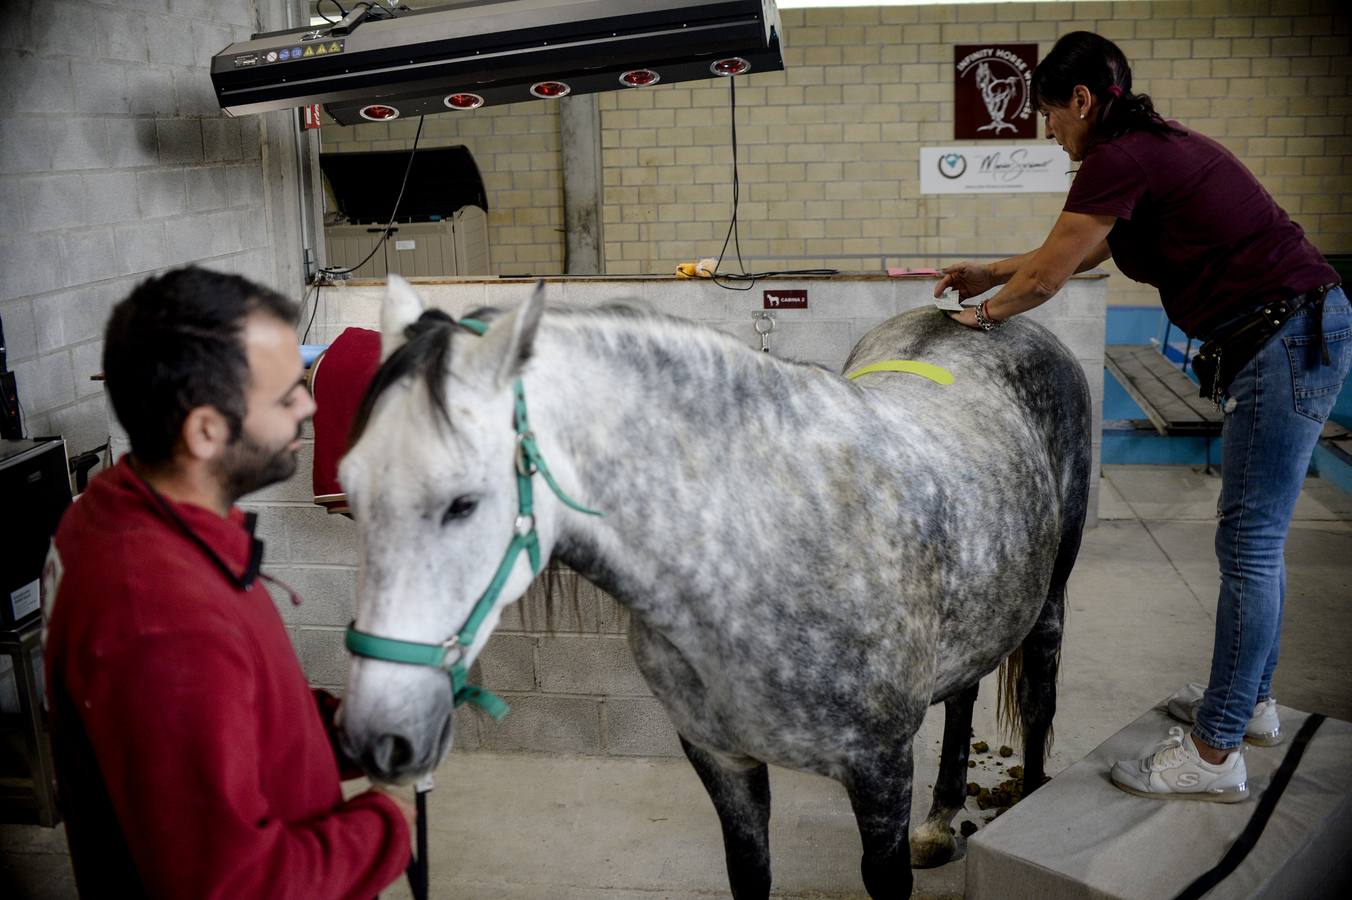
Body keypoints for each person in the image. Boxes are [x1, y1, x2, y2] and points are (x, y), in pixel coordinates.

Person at [936, 32, 1348, 802]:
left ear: (1083, 100)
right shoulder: (1151, 146)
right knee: (1258, 541)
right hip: (1300, 329)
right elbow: (1079, 249)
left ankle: (1216, 750)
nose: (1049, 132)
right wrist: (990, 270)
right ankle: (1248, 706)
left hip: (1286, 337)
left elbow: (1051, 276)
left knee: (1249, 544)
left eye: (1050, 115)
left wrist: (984, 314)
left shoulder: (1117, 157)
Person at [42, 266, 414, 896]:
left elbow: (232, 726)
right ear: (206, 430)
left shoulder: (134, 515)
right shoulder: (159, 617)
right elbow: (233, 885)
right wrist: (381, 830)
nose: (311, 404)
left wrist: (352, 729)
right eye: (285, 396)